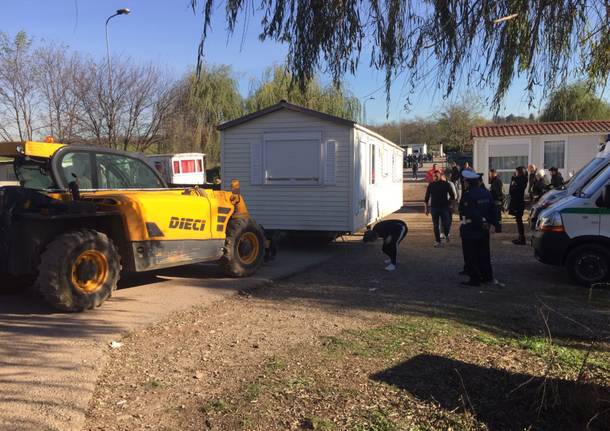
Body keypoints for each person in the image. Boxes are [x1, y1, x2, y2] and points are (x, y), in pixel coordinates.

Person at [459, 169, 498, 287]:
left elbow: (469, 212)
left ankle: (475, 278)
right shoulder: (486, 193)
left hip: (471, 228)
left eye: (465, 181)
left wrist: (480, 222)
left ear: (468, 182)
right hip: (484, 229)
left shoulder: (468, 195)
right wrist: (492, 224)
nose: (464, 183)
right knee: (484, 253)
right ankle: (487, 276)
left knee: (471, 255)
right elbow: (493, 209)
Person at [424, 171, 455, 247]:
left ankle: (447, 234)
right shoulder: (431, 185)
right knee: (436, 225)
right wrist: (426, 208)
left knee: (446, 224)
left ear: (440, 176)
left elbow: (452, 196)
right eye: (434, 176)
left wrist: (451, 205)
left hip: (444, 207)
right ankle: (438, 241)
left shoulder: (446, 184)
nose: (435, 177)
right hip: (434, 208)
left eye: (437, 176)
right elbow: (426, 198)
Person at [508, 166, 528, 245]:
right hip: (517, 202)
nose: (515, 173)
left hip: (518, 202)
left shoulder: (521, 180)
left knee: (519, 220)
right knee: (518, 220)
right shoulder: (518, 179)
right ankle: (520, 237)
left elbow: (515, 189)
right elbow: (511, 190)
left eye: (516, 172)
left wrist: (513, 180)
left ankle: (522, 238)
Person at [489, 169, 504, 233]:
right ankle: (498, 228)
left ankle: (498, 228)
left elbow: (498, 191)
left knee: (497, 216)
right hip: (497, 200)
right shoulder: (495, 180)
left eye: (490, 174)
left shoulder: (496, 181)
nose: (489, 175)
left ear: (494, 173)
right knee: (497, 216)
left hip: (497, 200)